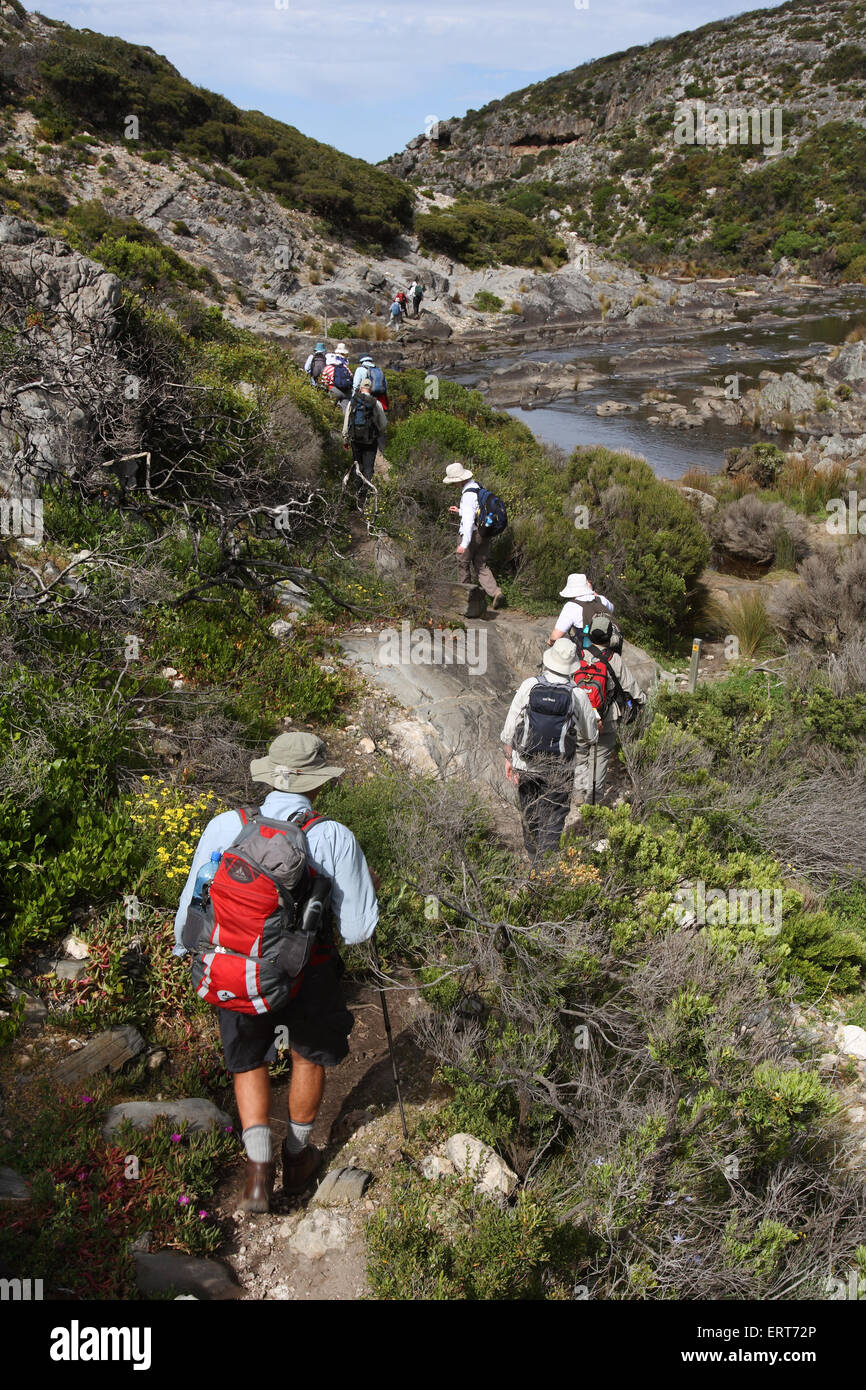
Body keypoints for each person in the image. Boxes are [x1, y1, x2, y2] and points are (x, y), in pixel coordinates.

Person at [174, 732, 379, 1213]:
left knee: (249, 1057)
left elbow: (190, 910)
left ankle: (256, 1177)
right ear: (317, 784)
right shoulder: (333, 835)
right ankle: (298, 1156)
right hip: (309, 972)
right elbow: (357, 930)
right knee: (307, 1055)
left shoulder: (228, 824)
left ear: (269, 776)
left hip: (235, 969)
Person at [501, 638, 599, 859]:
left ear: (550, 660)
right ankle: (546, 873)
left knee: (530, 816)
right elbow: (591, 736)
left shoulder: (529, 685)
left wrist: (509, 759)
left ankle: (534, 866)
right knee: (554, 820)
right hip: (560, 770)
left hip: (527, 764)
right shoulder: (578, 695)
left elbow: (509, 729)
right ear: (572, 666)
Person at [572, 621, 646, 810]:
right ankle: (593, 802)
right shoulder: (614, 659)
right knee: (600, 757)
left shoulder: (579, 656)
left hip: (580, 716)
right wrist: (642, 701)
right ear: (609, 637)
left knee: (581, 753)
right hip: (607, 718)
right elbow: (632, 688)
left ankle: (579, 794)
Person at [442, 461, 504, 609]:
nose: (453, 485)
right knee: (481, 565)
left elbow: (469, 522)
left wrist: (464, 544)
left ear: (459, 480)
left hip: (472, 533)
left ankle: (465, 599)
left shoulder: (467, 495)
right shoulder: (477, 487)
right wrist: (459, 511)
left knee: (463, 564)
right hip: (484, 531)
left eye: (453, 482)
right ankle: (495, 592)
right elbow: (476, 512)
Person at [342, 379, 387, 503]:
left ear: (360, 388)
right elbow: (383, 424)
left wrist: (345, 439)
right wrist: (379, 434)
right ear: (371, 389)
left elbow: (347, 422)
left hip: (355, 439)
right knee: (368, 468)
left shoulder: (353, 401)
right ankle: (365, 496)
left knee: (358, 465)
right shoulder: (375, 403)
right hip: (370, 440)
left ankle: (356, 494)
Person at [548, 573, 615, 646]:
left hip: (587, 652)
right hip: (608, 651)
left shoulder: (571, 606)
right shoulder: (602, 599)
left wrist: (550, 641)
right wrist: (591, 592)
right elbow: (612, 608)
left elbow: (555, 637)